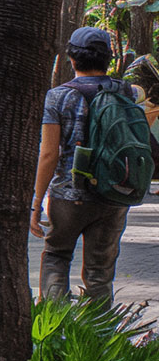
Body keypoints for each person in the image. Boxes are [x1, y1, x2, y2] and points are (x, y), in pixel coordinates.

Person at [32, 27, 136, 306]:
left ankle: (57, 332)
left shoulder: (58, 96)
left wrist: (36, 202)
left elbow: (48, 155)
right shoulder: (126, 92)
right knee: (100, 273)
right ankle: (98, 338)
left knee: (57, 256)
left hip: (69, 194)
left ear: (72, 59)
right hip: (114, 193)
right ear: (108, 59)